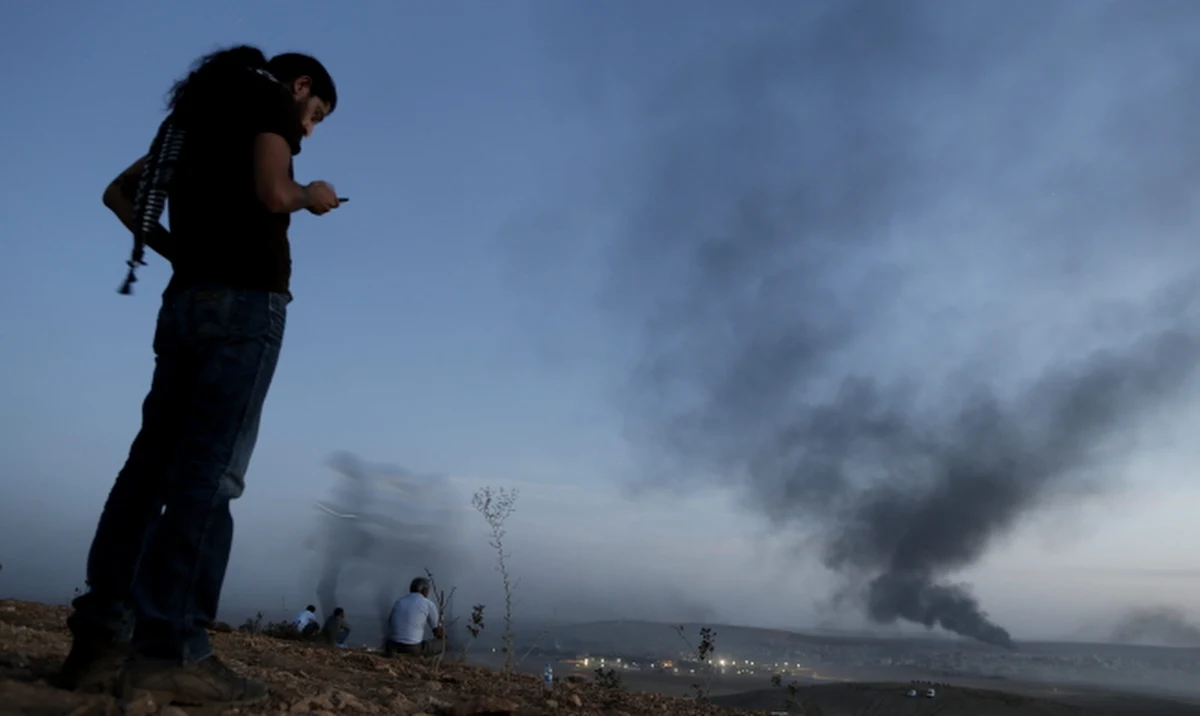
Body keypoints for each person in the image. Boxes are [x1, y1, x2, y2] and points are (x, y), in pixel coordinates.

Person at [57, 44, 342, 706]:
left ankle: (98, 641)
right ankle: (170, 649)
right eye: (317, 112)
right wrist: (312, 196)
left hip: (184, 304)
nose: (309, 127)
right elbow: (274, 192)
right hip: (244, 305)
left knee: (147, 471)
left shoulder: (195, 111)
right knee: (210, 478)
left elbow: (119, 194)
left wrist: (175, 249)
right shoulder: (270, 97)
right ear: (300, 85)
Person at [385, 577, 446, 656]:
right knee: (444, 643)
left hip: (392, 646)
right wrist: (444, 636)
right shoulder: (427, 603)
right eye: (427, 590)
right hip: (412, 648)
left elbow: (390, 622)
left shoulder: (399, 601)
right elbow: (437, 631)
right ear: (424, 590)